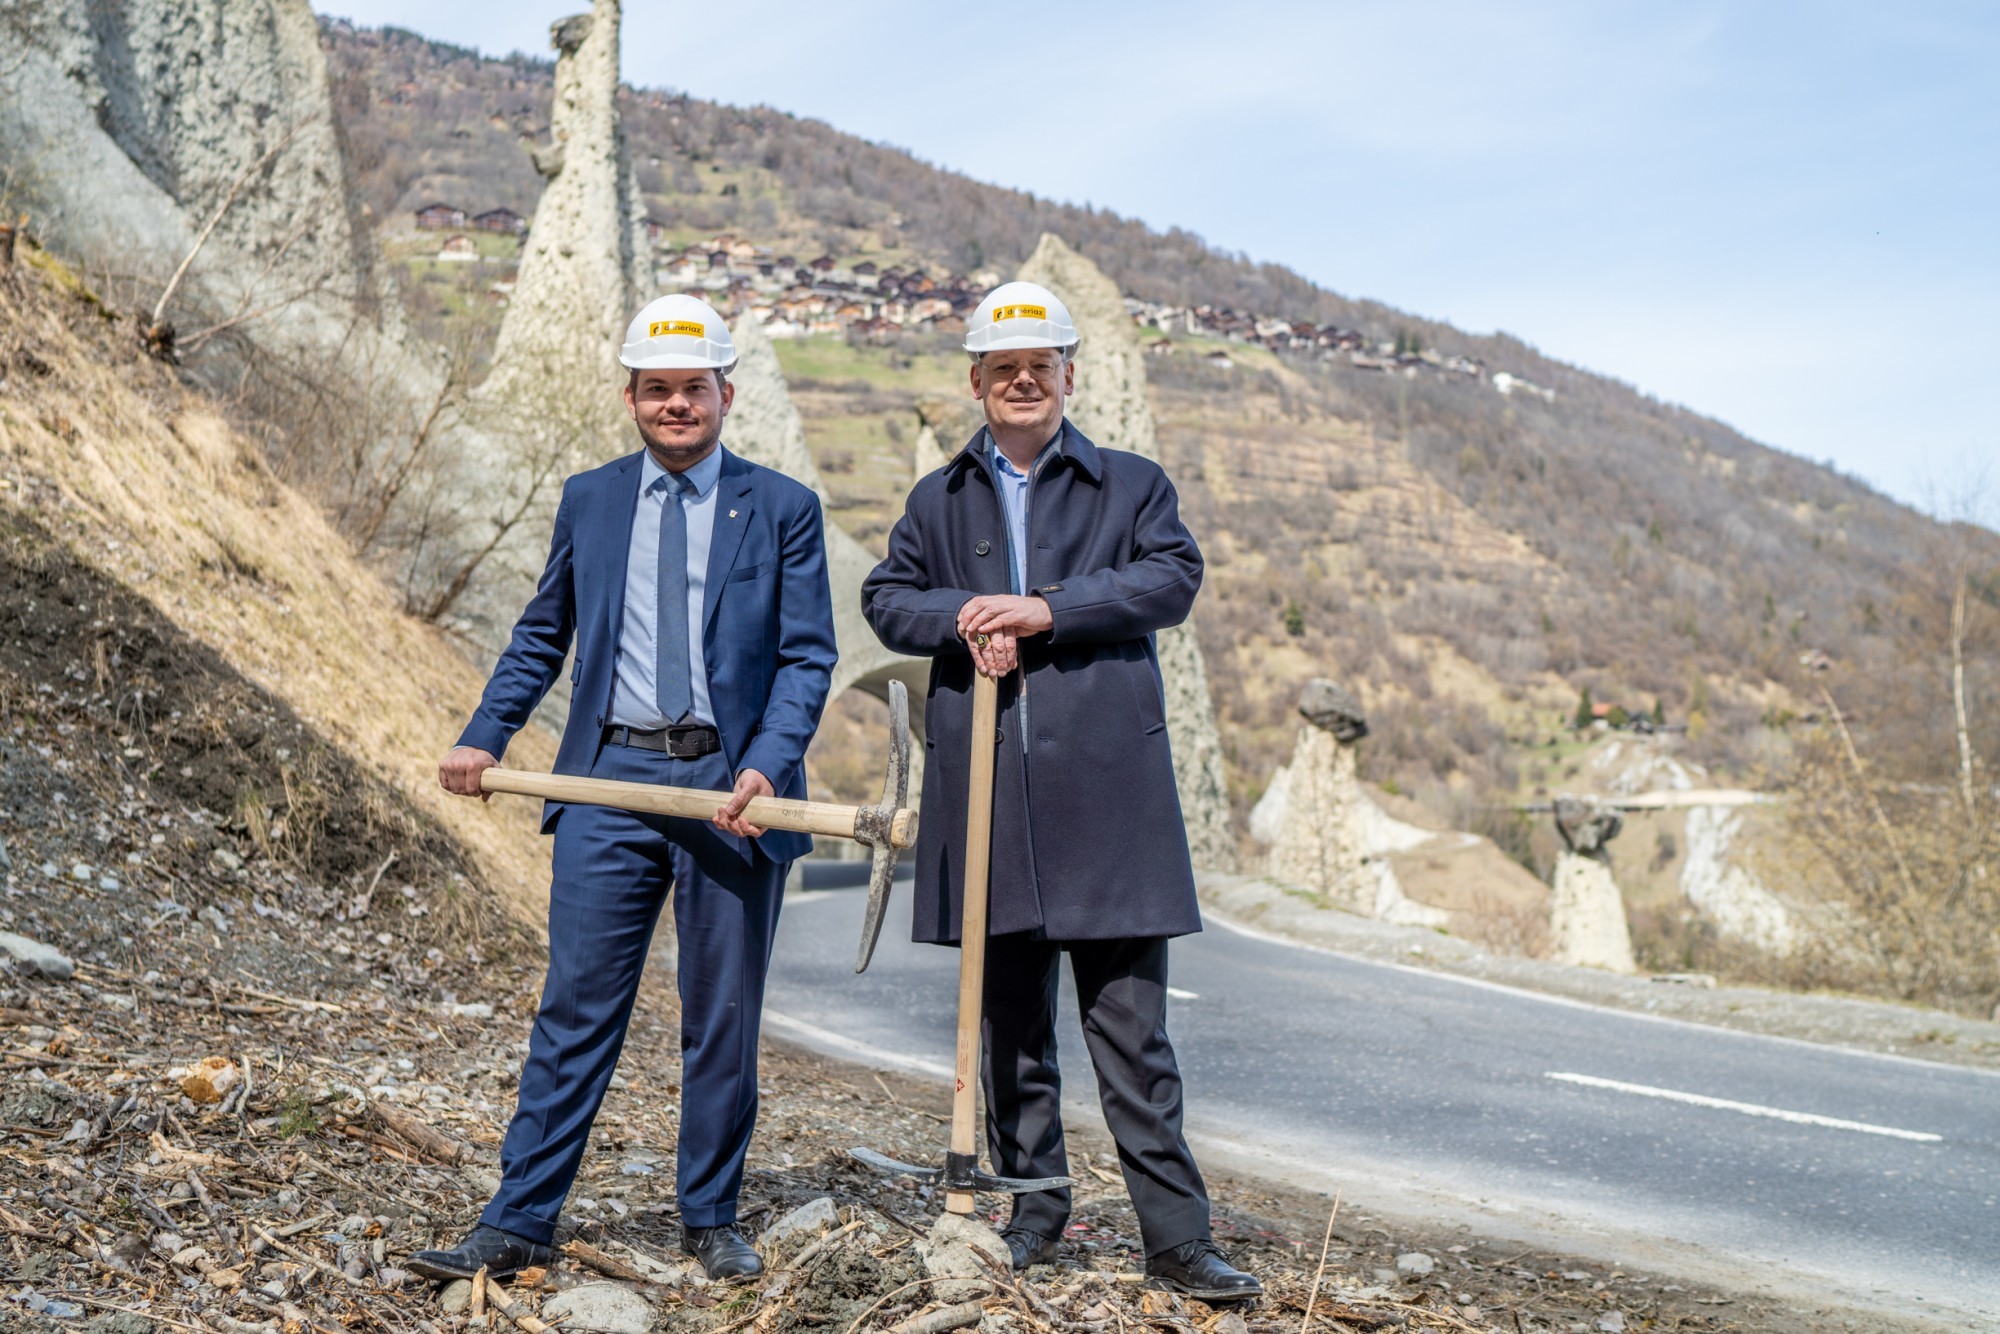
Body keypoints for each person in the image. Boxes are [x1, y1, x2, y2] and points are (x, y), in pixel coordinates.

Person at [409, 294, 836, 1284]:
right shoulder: (590, 498)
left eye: (694, 387)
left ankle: (709, 1213)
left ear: (726, 392)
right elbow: (539, 634)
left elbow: (807, 659)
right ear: (631, 396)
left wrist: (765, 765)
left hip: (734, 787)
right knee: (576, 1004)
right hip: (606, 775)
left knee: (720, 1011)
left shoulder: (782, 508)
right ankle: (519, 1217)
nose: (676, 403)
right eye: (657, 388)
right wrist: (483, 736)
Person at [860, 282, 1260, 1301]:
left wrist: (1043, 608)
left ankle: (1175, 1237)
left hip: (1107, 800)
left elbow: (1169, 579)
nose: (1023, 379)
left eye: (1041, 363)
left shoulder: (1131, 486)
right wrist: (966, 615)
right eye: (1004, 367)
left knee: (1131, 1033)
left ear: (1067, 375)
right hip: (988, 798)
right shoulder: (935, 500)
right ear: (976, 381)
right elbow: (885, 599)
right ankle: (1035, 1209)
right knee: (1010, 1032)